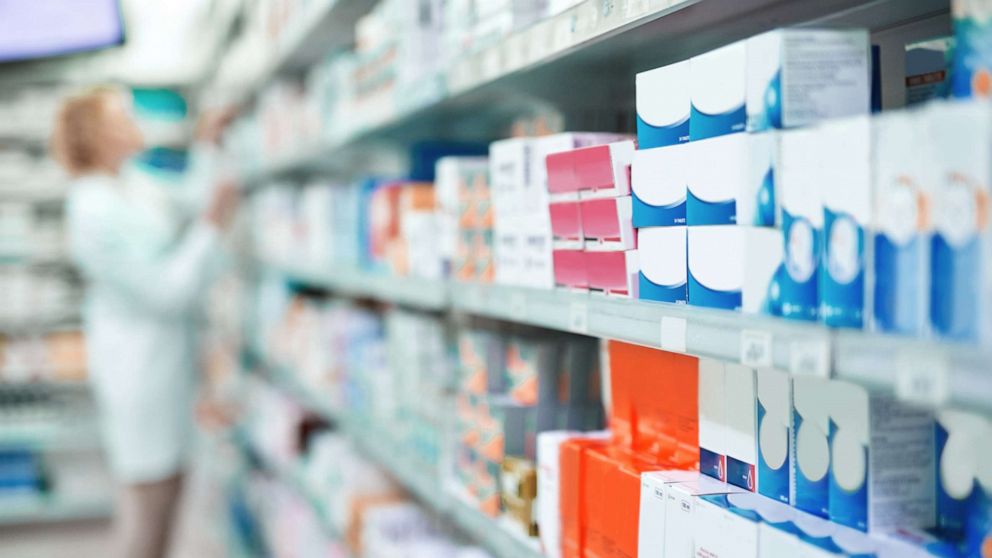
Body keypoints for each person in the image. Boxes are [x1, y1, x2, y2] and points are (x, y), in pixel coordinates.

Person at [50, 86, 238, 558]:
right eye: (123, 115)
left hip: (165, 364)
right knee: (147, 511)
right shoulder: (92, 207)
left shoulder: (129, 181)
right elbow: (167, 291)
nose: (137, 121)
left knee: (170, 492)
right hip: (140, 370)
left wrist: (206, 143)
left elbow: (187, 201)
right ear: (98, 133)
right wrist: (214, 225)